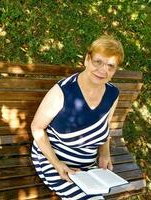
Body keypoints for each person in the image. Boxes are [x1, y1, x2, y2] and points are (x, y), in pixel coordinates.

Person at [31, 35, 124, 200]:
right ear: (87, 59)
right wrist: (57, 164)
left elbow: (105, 126)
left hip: (89, 168)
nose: (103, 70)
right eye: (98, 62)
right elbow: (37, 128)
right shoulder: (63, 92)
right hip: (53, 160)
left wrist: (104, 154)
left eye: (110, 66)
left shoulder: (112, 94)